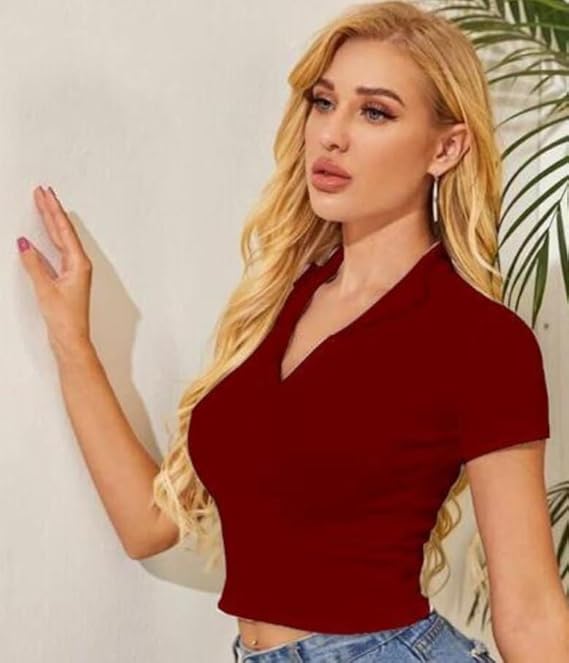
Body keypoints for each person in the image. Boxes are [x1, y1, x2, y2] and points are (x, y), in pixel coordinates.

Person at [17, 1, 569, 661]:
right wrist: (72, 341)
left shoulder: (480, 341)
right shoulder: (276, 304)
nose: (332, 134)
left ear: (445, 147)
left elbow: (530, 609)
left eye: (374, 112)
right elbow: (149, 524)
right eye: (323, 102)